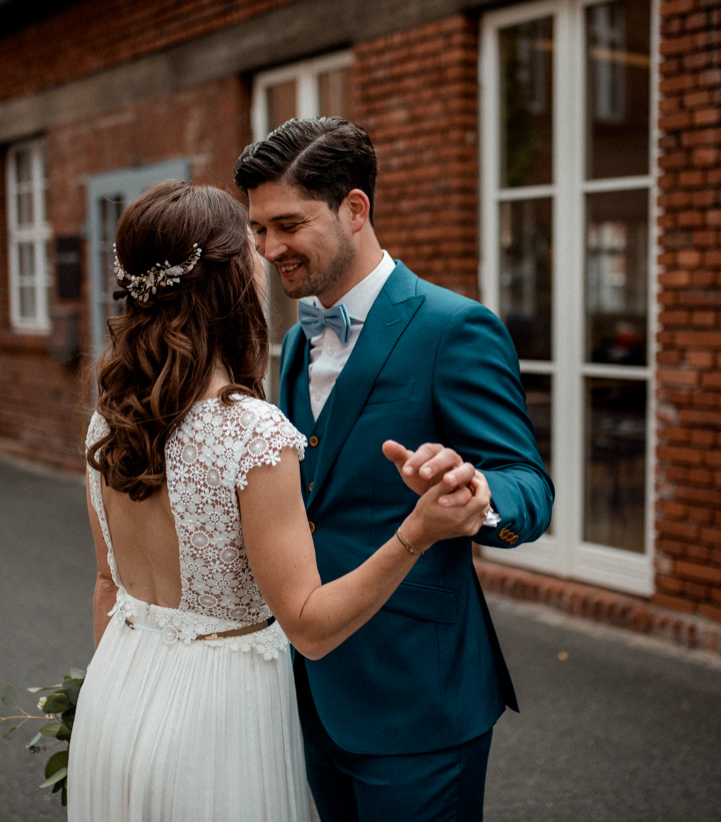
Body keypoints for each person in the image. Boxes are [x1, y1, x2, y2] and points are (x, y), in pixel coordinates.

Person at [66, 179, 494, 822]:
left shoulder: (109, 421)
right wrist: (418, 531)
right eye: (252, 248)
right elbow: (310, 627)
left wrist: (124, 704)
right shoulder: (249, 430)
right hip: (216, 723)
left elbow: (108, 584)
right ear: (230, 280)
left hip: (117, 699)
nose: (267, 259)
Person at [235, 117, 555, 822]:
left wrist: (478, 492)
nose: (269, 248)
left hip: (420, 699)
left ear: (355, 209)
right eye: (258, 230)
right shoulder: (293, 347)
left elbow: (529, 486)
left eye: (287, 224)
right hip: (314, 687)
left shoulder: (454, 327)